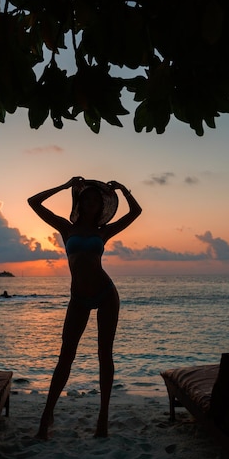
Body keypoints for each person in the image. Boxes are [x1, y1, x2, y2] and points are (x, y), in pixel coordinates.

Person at [27, 176, 142, 439]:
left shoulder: (104, 232)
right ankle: (46, 416)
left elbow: (135, 212)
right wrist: (65, 185)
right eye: (86, 199)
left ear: (100, 206)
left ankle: (103, 418)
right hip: (78, 297)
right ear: (79, 202)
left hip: (106, 295)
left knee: (105, 355)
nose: (90, 203)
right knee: (66, 356)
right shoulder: (66, 228)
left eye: (95, 200)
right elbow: (33, 202)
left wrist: (123, 190)